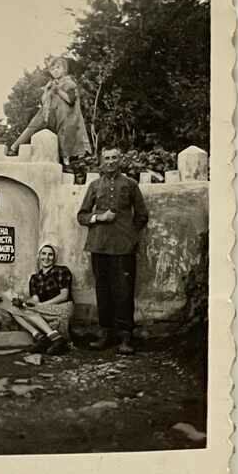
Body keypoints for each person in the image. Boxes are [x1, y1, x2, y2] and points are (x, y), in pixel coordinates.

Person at [76, 147, 149, 355]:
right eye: (107, 158)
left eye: (114, 157)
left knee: (124, 292)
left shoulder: (130, 185)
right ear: (102, 161)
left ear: (120, 159)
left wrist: (129, 235)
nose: (110, 161)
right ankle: (105, 333)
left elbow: (142, 215)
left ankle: (126, 337)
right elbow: (81, 216)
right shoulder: (94, 186)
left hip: (124, 249)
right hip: (98, 246)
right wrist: (99, 217)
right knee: (103, 290)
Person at [8, 57, 92, 166]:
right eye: (53, 69)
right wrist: (48, 91)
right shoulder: (50, 84)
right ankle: (14, 147)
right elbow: (43, 101)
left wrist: (58, 90)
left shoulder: (69, 83)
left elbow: (70, 100)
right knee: (32, 126)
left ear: (64, 69)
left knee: (65, 135)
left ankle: (66, 162)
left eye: (58, 68)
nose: (55, 71)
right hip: (48, 113)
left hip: (65, 115)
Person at [4, 243, 74, 353]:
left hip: (63, 307)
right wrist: (23, 301)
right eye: (44, 254)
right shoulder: (35, 278)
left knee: (29, 310)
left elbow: (64, 296)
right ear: (39, 256)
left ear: (54, 257)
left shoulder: (61, 270)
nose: (46, 257)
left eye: (50, 255)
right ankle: (41, 338)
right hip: (44, 309)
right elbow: (35, 300)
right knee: (13, 309)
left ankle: (57, 339)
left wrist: (41, 305)